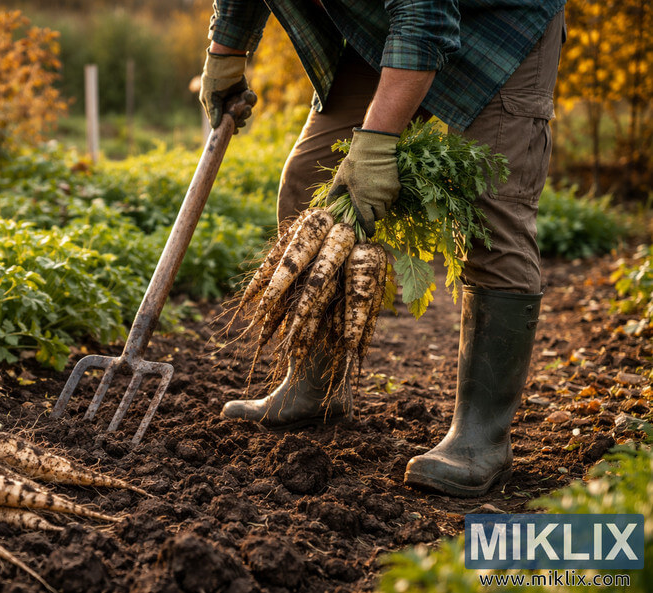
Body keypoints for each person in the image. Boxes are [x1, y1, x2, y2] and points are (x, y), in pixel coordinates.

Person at [199, 0, 566, 497]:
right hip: (387, 28)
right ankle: (317, 387)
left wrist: (376, 143)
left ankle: (481, 438)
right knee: (311, 179)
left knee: (491, 211)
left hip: (498, 24)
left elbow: (426, 15)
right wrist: (226, 50)